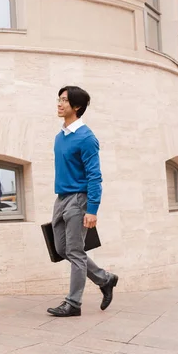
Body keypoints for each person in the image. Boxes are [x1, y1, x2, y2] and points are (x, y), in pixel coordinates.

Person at [47, 86, 118, 317]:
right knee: (62, 249)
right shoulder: (60, 137)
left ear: (76, 107)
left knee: (75, 252)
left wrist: (92, 209)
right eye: (59, 99)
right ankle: (105, 279)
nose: (59, 103)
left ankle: (73, 304)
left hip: (79, 200)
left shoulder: (87, 138)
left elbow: (95, 176)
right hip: (61, 199)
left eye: (64, 100)